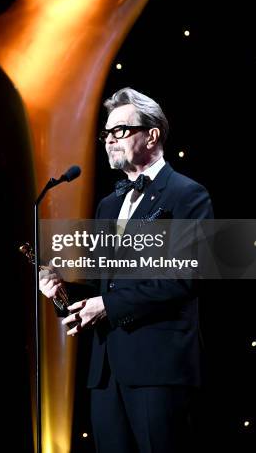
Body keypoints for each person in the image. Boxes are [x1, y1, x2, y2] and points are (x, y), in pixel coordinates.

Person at [40, 87, 213, 453]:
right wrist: (63, 290)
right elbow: (109, 285)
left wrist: (106, 306)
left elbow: (185, 278)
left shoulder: (187, 195)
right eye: (105, 134)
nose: (108, 141)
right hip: (106, 372)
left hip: (158, 367)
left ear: (152, 135)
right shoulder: (108, 205)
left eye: (119, 131)